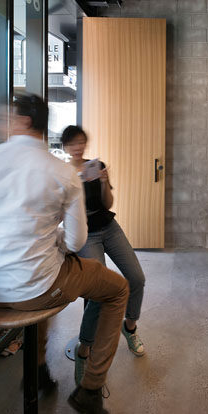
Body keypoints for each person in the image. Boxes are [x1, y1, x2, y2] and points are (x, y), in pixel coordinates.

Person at [0, 94, 126, 414]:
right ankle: (90, 390)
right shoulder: (61, 172)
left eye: (4, 117)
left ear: (24, 121)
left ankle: (37, 370)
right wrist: (55, 240)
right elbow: (78, 240)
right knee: (118, 289)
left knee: (46, 276)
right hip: (34, 288)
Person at [61, 125, 147, 385]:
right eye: (72, 143)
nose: (78, 147)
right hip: (85, 234)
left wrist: (103, 181)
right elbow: (60, 209)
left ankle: (129, 327)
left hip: (109, 227)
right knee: (99, 290)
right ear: (65, 147)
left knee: (136, 277)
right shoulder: (62, 173)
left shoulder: (96, 166)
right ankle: (84, 350)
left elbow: (108, 203)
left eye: (81, 142)